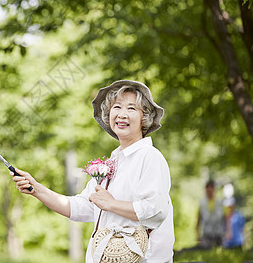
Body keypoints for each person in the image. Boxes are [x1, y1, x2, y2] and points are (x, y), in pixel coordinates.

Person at [11, 80, 175, 262]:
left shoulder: (150, 157)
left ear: (144, 117)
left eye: (131, 108)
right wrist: (36, 189)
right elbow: (81, 207)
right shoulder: (112, 162)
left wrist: (111, 204)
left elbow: (155, 210)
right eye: (117, 107)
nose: (122, 114)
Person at [196, 180, 225, 249]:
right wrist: (197, 233)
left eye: (211, 189)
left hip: (218, 233)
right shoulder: (202, 204)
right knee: (206, 251)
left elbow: (226, 218)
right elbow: (198, 219)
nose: (209, 192)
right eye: (207, 190)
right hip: (206, 233)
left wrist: (228, 232)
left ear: (214, 190)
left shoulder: (221, 203)